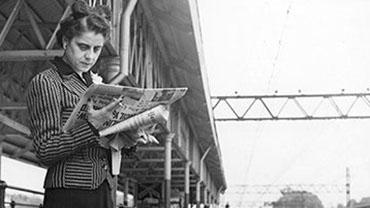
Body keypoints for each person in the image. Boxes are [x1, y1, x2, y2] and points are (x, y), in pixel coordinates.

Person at [26, 1, 118, 207]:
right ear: (66, 41)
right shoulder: (47, 82)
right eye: (83, 47)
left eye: (97, 49)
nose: (90, 56)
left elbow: (103, 143)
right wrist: (91, 126)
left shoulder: (96, 85)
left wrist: (129, 134)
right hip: (69, 193)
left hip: (104, 190)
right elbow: (45, 150)